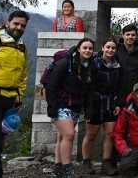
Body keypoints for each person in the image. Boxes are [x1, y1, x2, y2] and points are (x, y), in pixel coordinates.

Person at [0, 10, 30, 178]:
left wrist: (18, 98)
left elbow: (23, 74)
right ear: (7, 23)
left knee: (1, 140)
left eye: (23, 26)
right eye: (16, 24)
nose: (19, 28)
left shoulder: (22, 46)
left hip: (10, 100)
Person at [46, 38, 95, 178]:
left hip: (75, 106)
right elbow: (51, 86)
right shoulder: (65, 64)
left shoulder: (89, 67)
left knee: (62, 137)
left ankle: (57, 169)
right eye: (85, 47)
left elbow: (90, 91)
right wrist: (52, 108)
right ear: (78, 49)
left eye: (90, 48)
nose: (87, 51)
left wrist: (88, 108)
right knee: (69, 134)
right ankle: (67, 169)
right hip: (60, 105)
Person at [81, 38, 125, 176]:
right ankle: (86, 162)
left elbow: (120, 87)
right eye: (108, 47)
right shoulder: (93, 63)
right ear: (102, 47)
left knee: (110, 134)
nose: (110, 50)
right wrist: (87, 107)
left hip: (111, 102)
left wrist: (119, 103)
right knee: (91, 134)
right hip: (95, 103)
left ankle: (106, 163)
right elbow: (88, 86)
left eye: (113, 48)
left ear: (116, 50)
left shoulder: (118, 66)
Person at [116, 24, 138, 96]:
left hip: (134, 93)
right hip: (116, 92)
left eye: (133, 35)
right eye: (127, 34)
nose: (130, 37)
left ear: (136, 36)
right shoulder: (116, 50)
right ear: (122, 35)